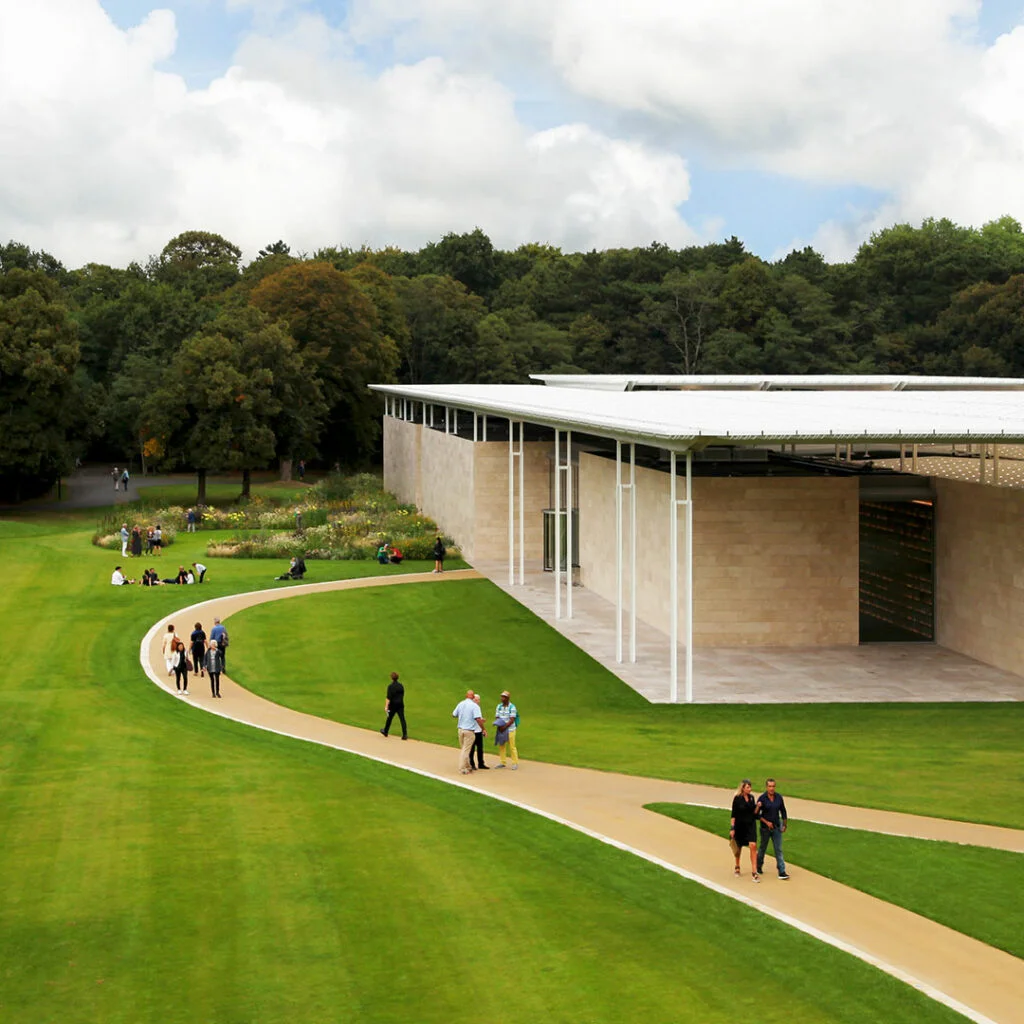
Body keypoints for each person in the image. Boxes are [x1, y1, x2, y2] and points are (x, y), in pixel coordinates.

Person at [756, 778, 790, 880]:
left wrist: (784, 824)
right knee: (762, 848)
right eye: (770, 786)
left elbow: (783, 811)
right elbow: (756, 814)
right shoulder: (762, 798)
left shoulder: (779, 797)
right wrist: (766, 822)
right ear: (766, 787)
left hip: (776, 827)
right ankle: (758, 865)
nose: (771, 788)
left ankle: (781, 871)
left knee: (778, 849)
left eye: (773, 786)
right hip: (765, 828)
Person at [730, 779, 760, 881]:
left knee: (753, 845)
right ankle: (737, 865)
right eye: (748, 787)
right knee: (738, 847)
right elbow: (733, 815)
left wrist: (758, 807)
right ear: (743, 788)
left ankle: (754, 871)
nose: (750, 789)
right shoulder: (737, 799)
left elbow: (754, 813)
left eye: (750, 787)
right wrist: (732, 828)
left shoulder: (751, 798)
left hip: (750, 825)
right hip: (740, 826)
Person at [451, 689, 484, 774]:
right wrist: (483, 729)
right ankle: (462, 768)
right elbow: (478, 719)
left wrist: (463, 715)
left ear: (466, 696)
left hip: (460, 730)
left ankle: (468, 766)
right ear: (473, 697)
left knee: (464, 749)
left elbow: (454, 714)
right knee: (466, 750)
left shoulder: (460, 704)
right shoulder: (475, 706)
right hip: (469, 731)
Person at [494, 690, 519, 769]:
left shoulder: (512, 707)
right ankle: (502, 762)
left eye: (504, 697)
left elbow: (512, 719)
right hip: (501, 729)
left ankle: (515, 763)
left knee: (512, 746)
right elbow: (497, 717)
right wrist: (499, 726)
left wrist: (504, 727)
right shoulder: (499, 706)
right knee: (501, 745)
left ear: (507, 698)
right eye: (502, 697)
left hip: (510, 729)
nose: (502, 698)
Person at [380, 671, 408, 739]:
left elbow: (388, 697)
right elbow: (402, 694)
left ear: (391, 678)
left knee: (389, 718)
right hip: (400, 704)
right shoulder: (401, 686)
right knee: (402, 719)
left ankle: (386, 731)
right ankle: (405, 734)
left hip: (393, 705)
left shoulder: (390, 686)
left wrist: (386, 706)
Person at [469, 692, 489, 769]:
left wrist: (482, 720)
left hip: (478, 731)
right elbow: (475, 719)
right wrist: (484, 729)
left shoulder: (478, 708)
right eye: (476, 700)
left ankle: (481, 763)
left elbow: (478, 718)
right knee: (472, 749)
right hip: (472, 731)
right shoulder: (471, 708)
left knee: (480, 748)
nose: (477, 701)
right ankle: (472, 764)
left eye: (478, 700)